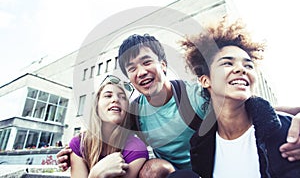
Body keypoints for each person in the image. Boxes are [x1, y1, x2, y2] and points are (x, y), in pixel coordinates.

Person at [57, 33, 300, 177]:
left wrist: (297, 117)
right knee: (152, 169)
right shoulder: (135, 111)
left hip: (215, 166)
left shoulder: (194, 94)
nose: (141, 72)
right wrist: (73, 150)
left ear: (163, 65)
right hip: (178, 175)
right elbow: (110, 131)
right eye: (132, 69)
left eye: (146, 62)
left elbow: (248, 108)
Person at [168, 19, 300, 177]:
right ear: (205, 80)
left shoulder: (287, 131)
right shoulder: (200, 147)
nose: (241, 69)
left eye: (248, 65)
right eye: (227, 63)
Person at [68, 75, 149, 178]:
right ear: (96, 106)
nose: (116, 99)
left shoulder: (137, 148)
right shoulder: (79, 143)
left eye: (122, 97)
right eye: (108, 96)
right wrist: (95, 175)